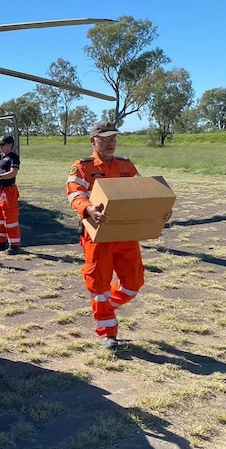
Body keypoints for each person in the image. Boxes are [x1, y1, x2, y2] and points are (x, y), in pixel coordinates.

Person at [66, 120, 172, 351]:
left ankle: (108, 307)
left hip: (125, 233)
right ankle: (108, 333)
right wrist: (88, 208)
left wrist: (159, 209)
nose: (111, 142)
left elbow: (144, 193)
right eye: (105, 138)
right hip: (97, 236)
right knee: (99, 284)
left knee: (134, 282)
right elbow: (75, 194)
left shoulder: (127, 166)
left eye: (113, 138)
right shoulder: (82, 167)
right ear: (93, 141)